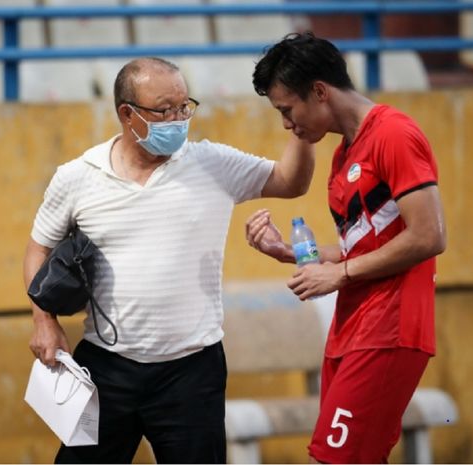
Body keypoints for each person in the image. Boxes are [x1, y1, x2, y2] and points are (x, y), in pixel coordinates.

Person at [22, 56, 315, 464]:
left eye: (184, 107)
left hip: (192, 373)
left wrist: (303, 127)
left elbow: (290, 181)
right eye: (164, 110)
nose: (178, 118)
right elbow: (39, 248)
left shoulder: (212, 163)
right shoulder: (78, 176)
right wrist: (44, 322)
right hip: (106, 368)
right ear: (127, 113)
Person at [245, 32, 447, 463]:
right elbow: (365, 247)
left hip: (390, 327)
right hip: (354, 326)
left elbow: (429, 235)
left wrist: (340, 274)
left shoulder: (394, 133)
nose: (286, 124)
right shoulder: (343, 154)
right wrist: (292, 253)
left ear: (319, 91)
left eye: (287, 109)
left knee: (336, 460)